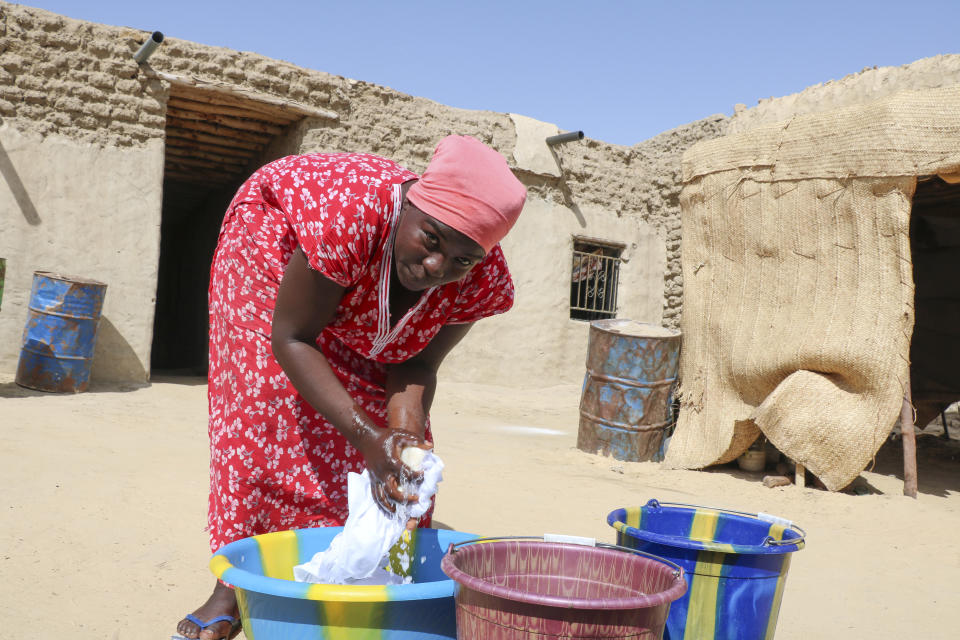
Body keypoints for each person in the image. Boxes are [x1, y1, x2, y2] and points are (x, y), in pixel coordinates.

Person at [175, 135, 527, 640]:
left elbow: (417, 362)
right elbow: (293, 336)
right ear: (410, 204)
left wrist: (401, 440)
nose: (437, 268)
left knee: (391, 453)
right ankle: (234, 590)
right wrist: (367, 434)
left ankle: (369, 577)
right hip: (274, 243)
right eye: (430, 239)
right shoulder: (350, 216)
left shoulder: (479, 276)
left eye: (461, 258)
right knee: (271, 404)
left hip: (349, 267)